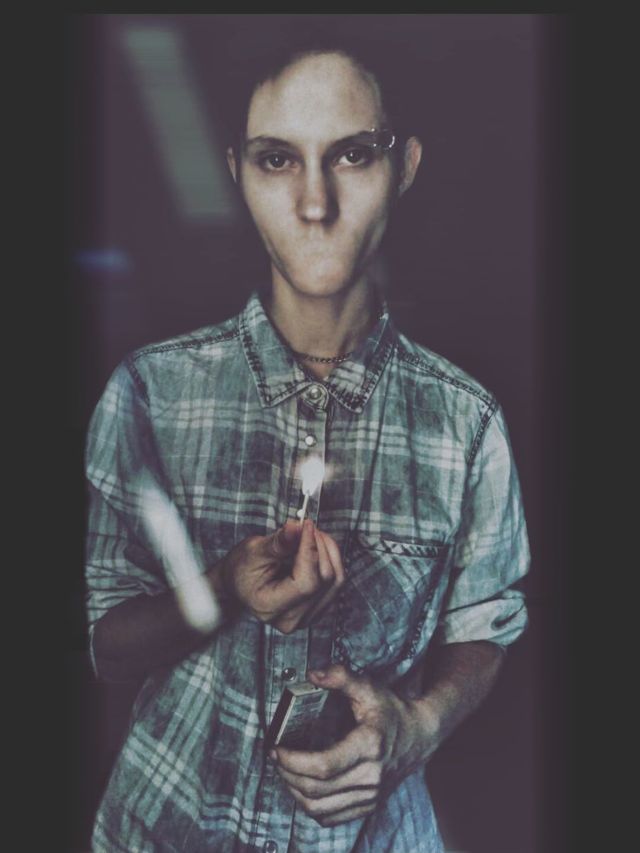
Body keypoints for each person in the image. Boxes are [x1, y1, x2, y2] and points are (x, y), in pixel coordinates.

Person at [85, 32, 530, 853]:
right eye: (277, 159)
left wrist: (420, 724)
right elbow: (106, 644)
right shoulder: (151, 392)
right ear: (237, 172)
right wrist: (222, 585)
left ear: (405, 166)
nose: (315, 203)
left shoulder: (466, 421)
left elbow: (487, 621)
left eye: (353, 155)